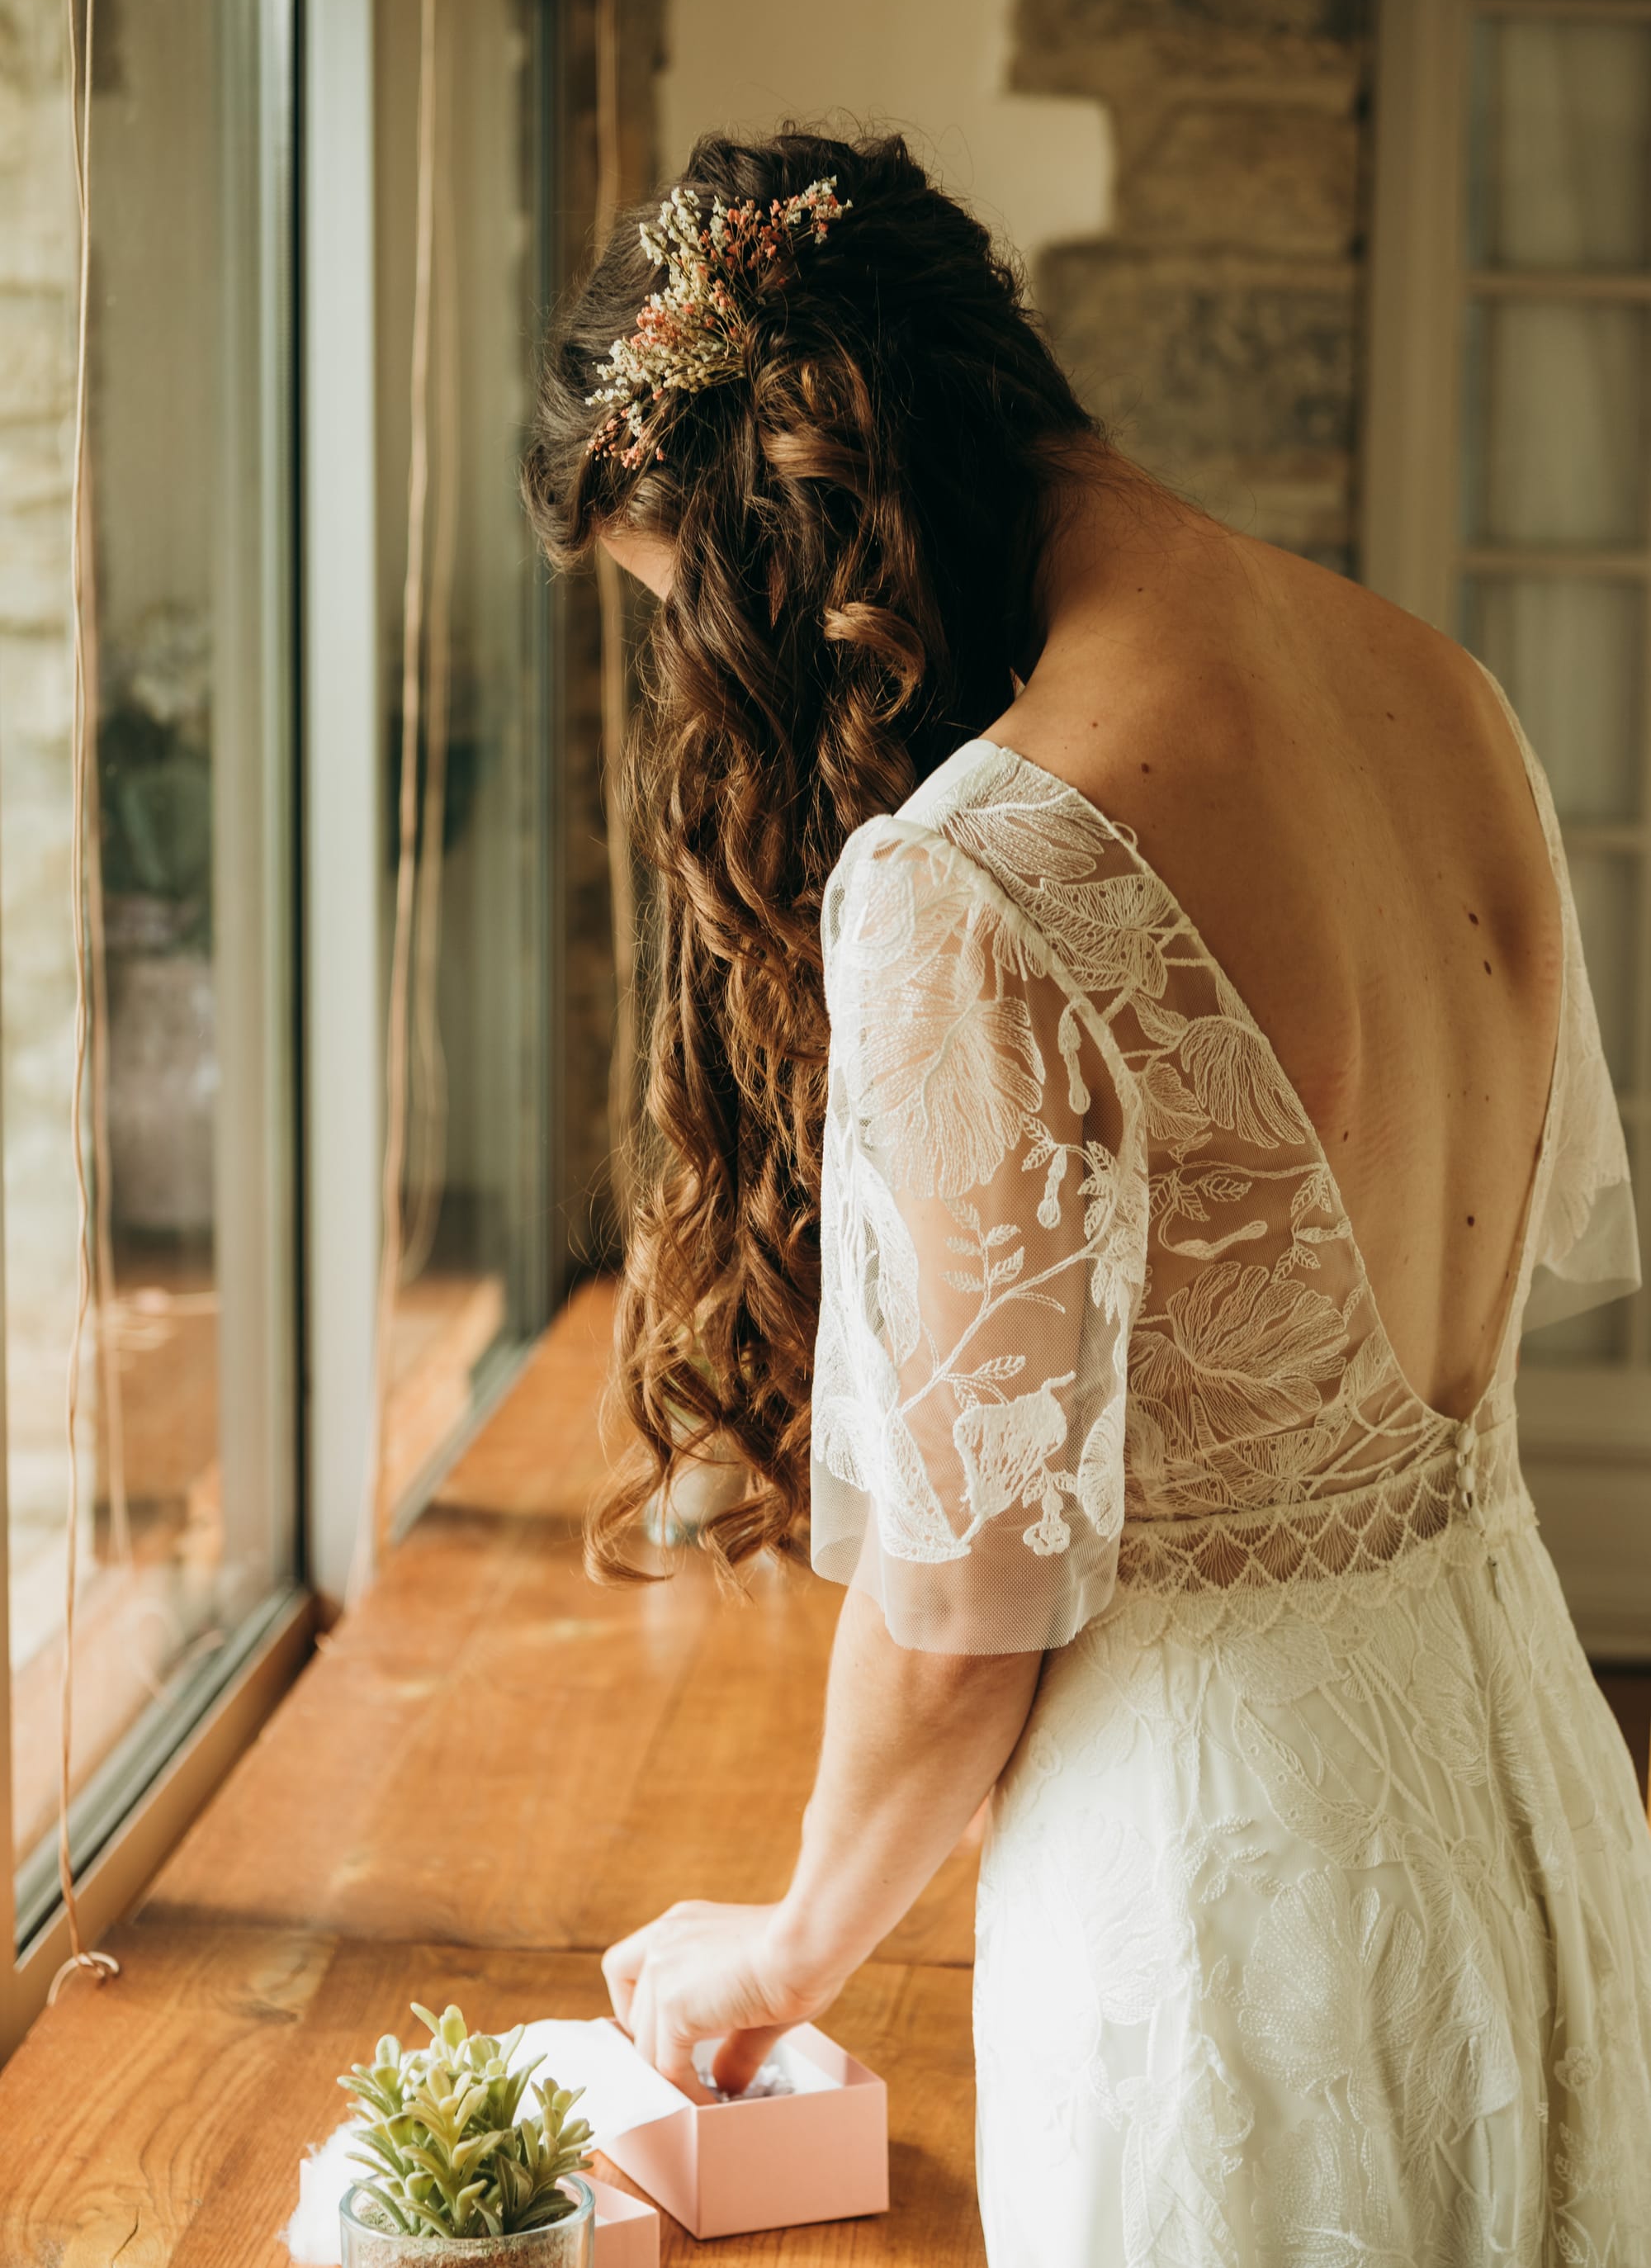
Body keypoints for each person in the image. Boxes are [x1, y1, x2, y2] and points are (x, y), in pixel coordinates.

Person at [523, 130, 1651, 2264]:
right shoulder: (1436, 683)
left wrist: (778, 1947)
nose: (730, 700)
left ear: (797, 530)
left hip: (1237, 1888)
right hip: (1536, 1779)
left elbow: (962, 1621)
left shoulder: (980, 871)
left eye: (708, 626)